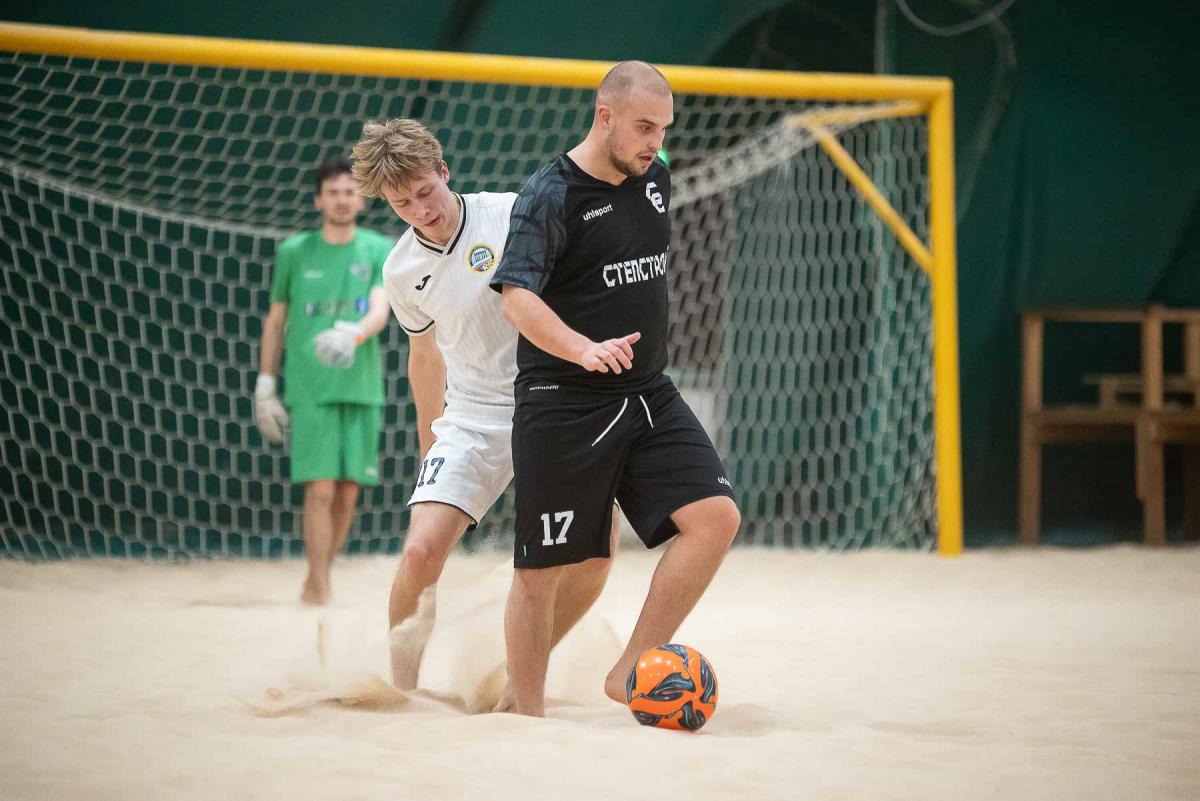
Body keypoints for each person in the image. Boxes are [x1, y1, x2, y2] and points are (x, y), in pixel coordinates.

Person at [490, 61, 741, 717]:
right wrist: (582, 347)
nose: (656, 141)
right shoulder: (550, 195)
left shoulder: (654, 176)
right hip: (563, 401)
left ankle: (631, 665)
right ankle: (523, 709)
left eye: (664, 128)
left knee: (715, 519)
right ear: (605, 116)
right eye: (644, 127)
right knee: (543, 571)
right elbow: (515, 298)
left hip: (647, 390)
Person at [349, 118, 617, 691]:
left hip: (554, 400)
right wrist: (430, 442)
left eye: (425, 191)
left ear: (445, 172)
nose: (420, 210)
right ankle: (402, 691)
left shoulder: (511, 213)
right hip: (472, 415)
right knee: (420, 549)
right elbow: (424, 358)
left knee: (596, 557)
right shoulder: (401, 270)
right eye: (402, 203)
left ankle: (515, 672)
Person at [254, 158, 394, 605]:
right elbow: (276, 320)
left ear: (362, 199)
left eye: (350, 192)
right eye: (333, 192)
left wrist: (355, 333)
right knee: (320, 489)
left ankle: (321, 575)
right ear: (318, 200)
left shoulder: (379, 249)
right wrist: (265, 383)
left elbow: (381, 308)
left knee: (348, 492)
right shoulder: (294, 251)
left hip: (361, 386)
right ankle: (318, 586)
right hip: (310, 387)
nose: (341, 200)